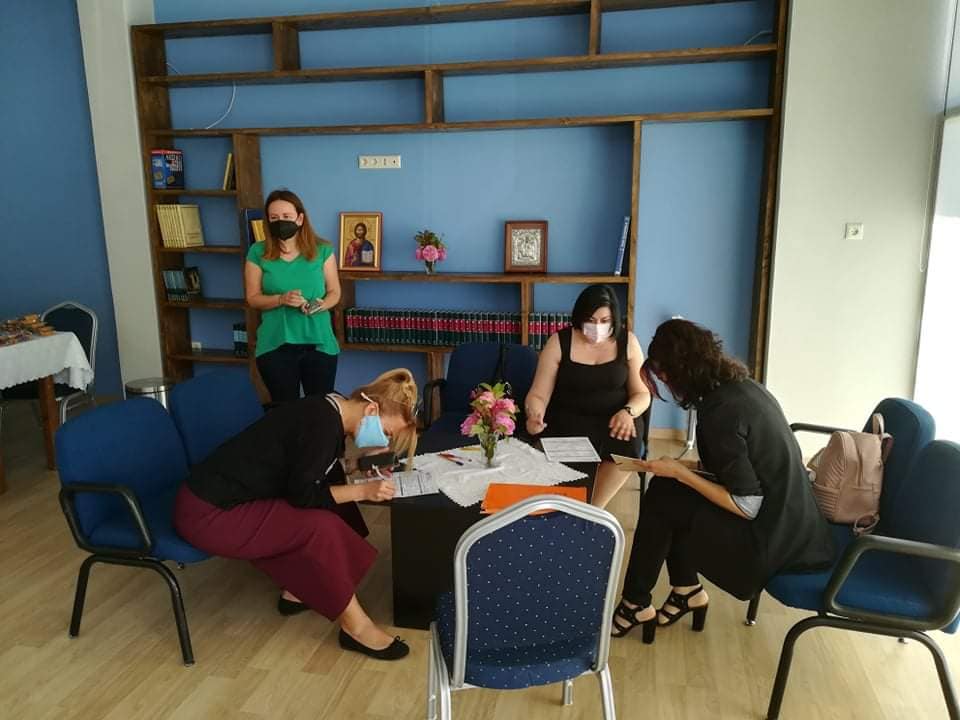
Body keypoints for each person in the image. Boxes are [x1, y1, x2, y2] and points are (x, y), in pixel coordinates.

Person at [610, 319, 833, 644]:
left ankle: (637, 602)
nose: (665, 381)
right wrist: (681, 467)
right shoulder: (744, 388)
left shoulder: (721, 412)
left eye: (664, 374)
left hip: (771, 545)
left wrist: (682, 473)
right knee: (668, 490)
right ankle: (683, 591)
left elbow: (747, 504)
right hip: (799, 531)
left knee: (666, 496)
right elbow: (736, 467)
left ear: (682, 370)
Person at [173, 368, 419, 661]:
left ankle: (299, 589)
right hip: (208, 515)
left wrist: (356, 466)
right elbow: (304, 495)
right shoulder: (321, 426)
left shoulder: (330, 406)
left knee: (337, 502)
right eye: (387, 433)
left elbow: (309, 465)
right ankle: (356, 627)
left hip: (219, 497)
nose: (384, 442)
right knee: (319, 525)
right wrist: (363, 491)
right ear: (371, 409)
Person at [524, 284, 651, 508]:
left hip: (615, 421)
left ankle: (592, 509)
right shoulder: (559, 342)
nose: (597, 327)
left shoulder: (628, 342)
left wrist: (628, 412)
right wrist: (534, 414)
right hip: (568, 420)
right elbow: (538, 395)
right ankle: (564, 502)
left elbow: (642, 394)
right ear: (580, 317)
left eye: (605, 321)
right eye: (591, 320)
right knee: (549, 452)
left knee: (628, 442)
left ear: (614, 319)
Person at [245, 189, 341, 402]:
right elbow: (252, 298)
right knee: (285, 411)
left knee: (319, 409)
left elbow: (335, 292)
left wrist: (320, 305)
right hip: (275, 344)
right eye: (274, 218)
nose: (280, 222)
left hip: (319, 342)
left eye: (286, 216)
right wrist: (281, 299)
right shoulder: (257, 252)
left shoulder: (323, 250)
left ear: (300, 218)